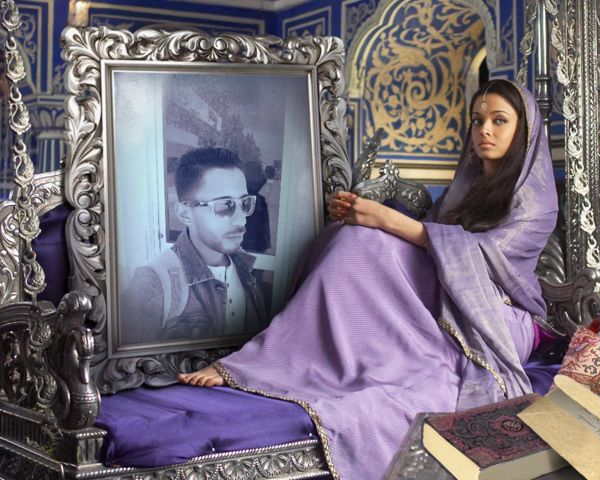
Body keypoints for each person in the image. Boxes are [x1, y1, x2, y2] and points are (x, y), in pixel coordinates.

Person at [177, 80, 558, 479]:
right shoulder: (467, 189)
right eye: (477, 120)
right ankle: (294, 358)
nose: (485, 130)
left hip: (497, 319)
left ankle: (268, 361)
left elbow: (482, 256)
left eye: (499, 120)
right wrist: (364, 216)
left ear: (524, 130)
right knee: (348, 236)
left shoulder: (536, 201)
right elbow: (429, 243)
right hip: (447, 296)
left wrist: (386, 219)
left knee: (368, 240)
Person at [120, 147, 268, 344]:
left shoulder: (247, 273)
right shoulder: (153, 284)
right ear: (184, 214)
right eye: (225, 205)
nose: (241, 220)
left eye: (245, 203)